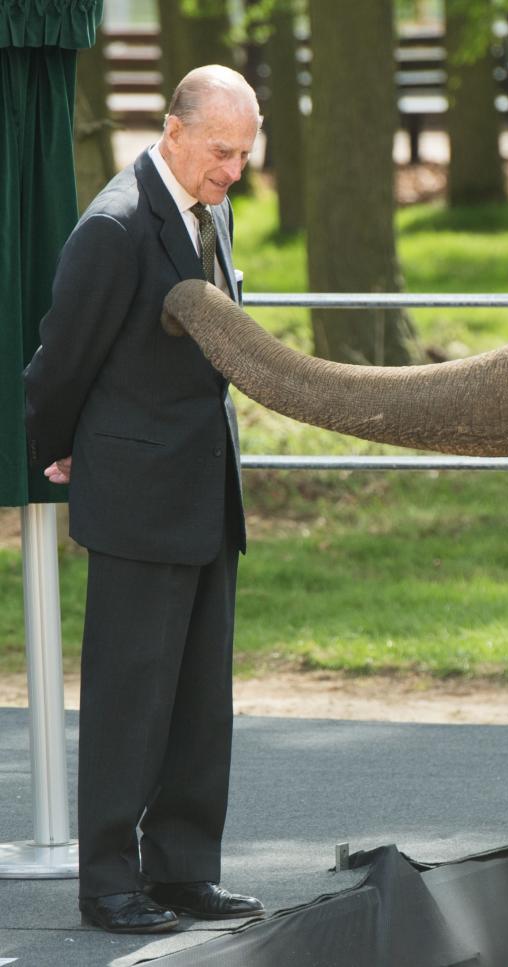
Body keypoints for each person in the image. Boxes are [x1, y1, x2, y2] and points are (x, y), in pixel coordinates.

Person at [23, 65, 264, 934]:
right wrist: (56, 450)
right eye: (219, 151)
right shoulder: (116, 227)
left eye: (243, 152)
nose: (233, 169)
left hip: (206, 495)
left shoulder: (214, 209)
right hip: (136, 498)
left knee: (200, 702)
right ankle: (110, 883)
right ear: (173, 131)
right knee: (131, 700)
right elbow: (59, 363)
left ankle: (185, 870)